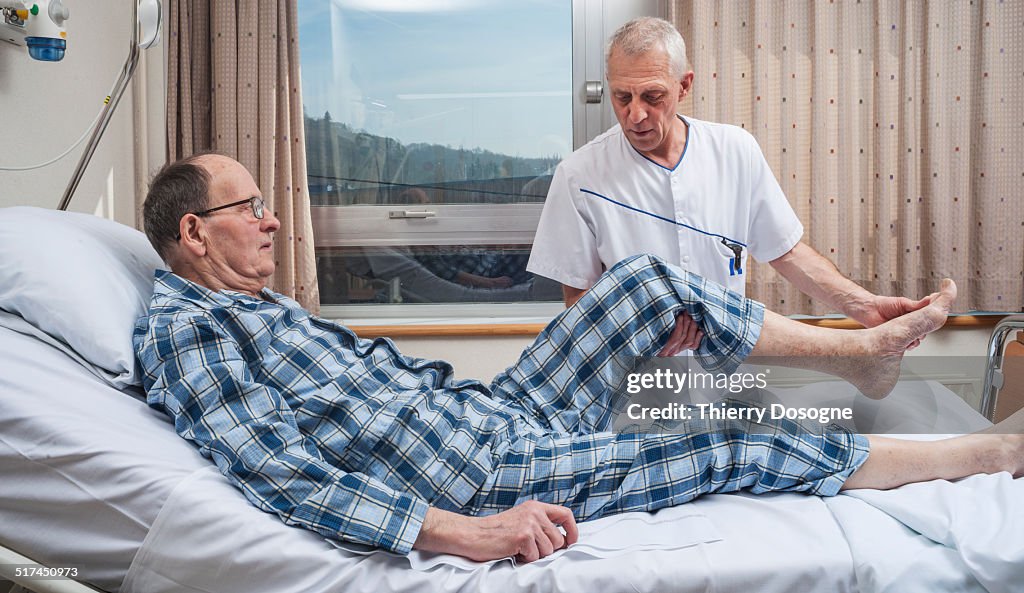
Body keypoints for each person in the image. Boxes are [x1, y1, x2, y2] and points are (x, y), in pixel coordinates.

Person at [135, 153, 1023, 564]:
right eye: (250, 207)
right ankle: (983, 454)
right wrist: (453, 529)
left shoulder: (254, 302)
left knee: (644, 283)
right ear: (193, 231)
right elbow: (277, 470)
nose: (272, 218)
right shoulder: (191, 332)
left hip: (484, 413)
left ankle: (862, 354)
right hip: (479, 470)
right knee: (720, 442)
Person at [527, 17, 930, 355]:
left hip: (725, 375)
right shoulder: (579, 176)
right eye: (622, 97)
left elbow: (785, 251)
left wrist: (867, 307)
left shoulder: (734, 150)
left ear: (684, 86)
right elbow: (577, 303)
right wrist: (641, 332)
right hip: (633, 379)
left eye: (652, 96)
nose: (635, 115)